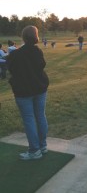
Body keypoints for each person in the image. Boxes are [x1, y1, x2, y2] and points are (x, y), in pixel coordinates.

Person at [6, 26, 49, 160]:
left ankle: (35, 150)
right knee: (40, 116)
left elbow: (10, 69)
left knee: (30, 119)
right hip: (39, 89)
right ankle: (42, 146)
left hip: (24, 92)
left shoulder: (15, 54)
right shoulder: (38, 51)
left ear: (23, 37)